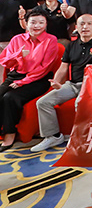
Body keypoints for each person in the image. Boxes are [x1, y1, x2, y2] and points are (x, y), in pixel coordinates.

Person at [30, 14, 92, 152]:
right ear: (76, 27)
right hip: (72, 84)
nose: (85, 27)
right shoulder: (71, 45)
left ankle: (84, 139)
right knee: (43, 102)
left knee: (79, 103)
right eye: (82, 24)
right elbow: (63, 68)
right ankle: (53, 136)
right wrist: (56, 82)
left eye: (89, 24)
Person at [0, 10, 59, 151]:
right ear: (26, 23)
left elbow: (44, 68)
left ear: (46, 24)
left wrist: (23, 82)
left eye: (41, 22)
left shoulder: (51, 40)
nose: (36, 26)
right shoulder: (17, 39)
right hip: (16, 75)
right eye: (33, 22)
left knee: (10, 98)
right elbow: (4, 61)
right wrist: (18, 55)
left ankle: (10, 134)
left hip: (39, 79)